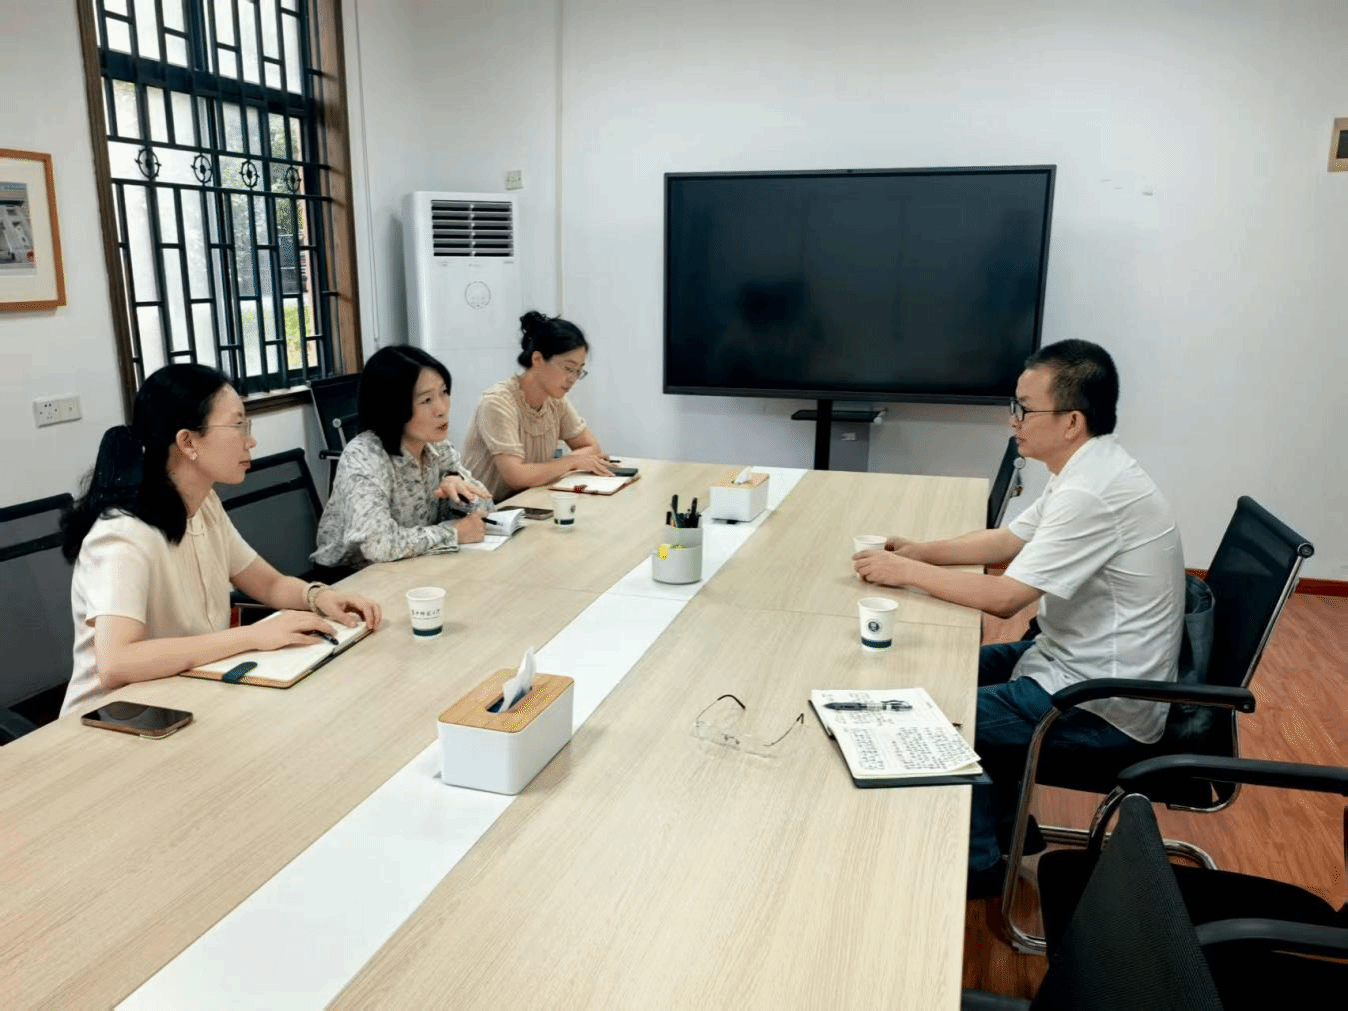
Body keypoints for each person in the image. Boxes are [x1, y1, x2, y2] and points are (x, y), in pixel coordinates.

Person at [852, 340, 1185, 897]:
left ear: (1072, 420)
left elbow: (1006, 597)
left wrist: (905, 573)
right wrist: (919, 552)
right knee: (938, 671)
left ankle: (978, 865)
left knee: (939, 715)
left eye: (1026, 409)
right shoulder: (1086, 468)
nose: (1014, 420)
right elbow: (1008, 539)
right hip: (1065, 661)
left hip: (1100, 702)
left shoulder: (1093, 492)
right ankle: (1008, 831)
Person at [60, 364, 383, 717]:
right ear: (188, 442)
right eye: (237, 425)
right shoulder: (124, 534)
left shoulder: (204, 504)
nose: (250, 441)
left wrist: (318, 596)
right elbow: (116, 662)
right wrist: (253, 636)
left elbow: (269, 584)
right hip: (111, 719)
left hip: (184, 697)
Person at [312, 345, 493, 570]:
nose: (441, 408)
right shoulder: (363, 457)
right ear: (393, 407)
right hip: (350, 577)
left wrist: (458, 485)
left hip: (412, 565)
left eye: (444, 392)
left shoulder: (436, 446)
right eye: (426, 400)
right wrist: (453, 532)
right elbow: (378, 545)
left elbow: (487, 507)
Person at [459, 311, 612, 502]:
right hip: (486, 510)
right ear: (537, 360)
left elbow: (591, 447)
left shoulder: (555, 401)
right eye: (568, 368)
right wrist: (571, 462)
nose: (573, 379)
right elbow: (517, 477)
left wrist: (561, 464)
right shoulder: (498, 402)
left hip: (527, 503)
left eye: (578, 371)